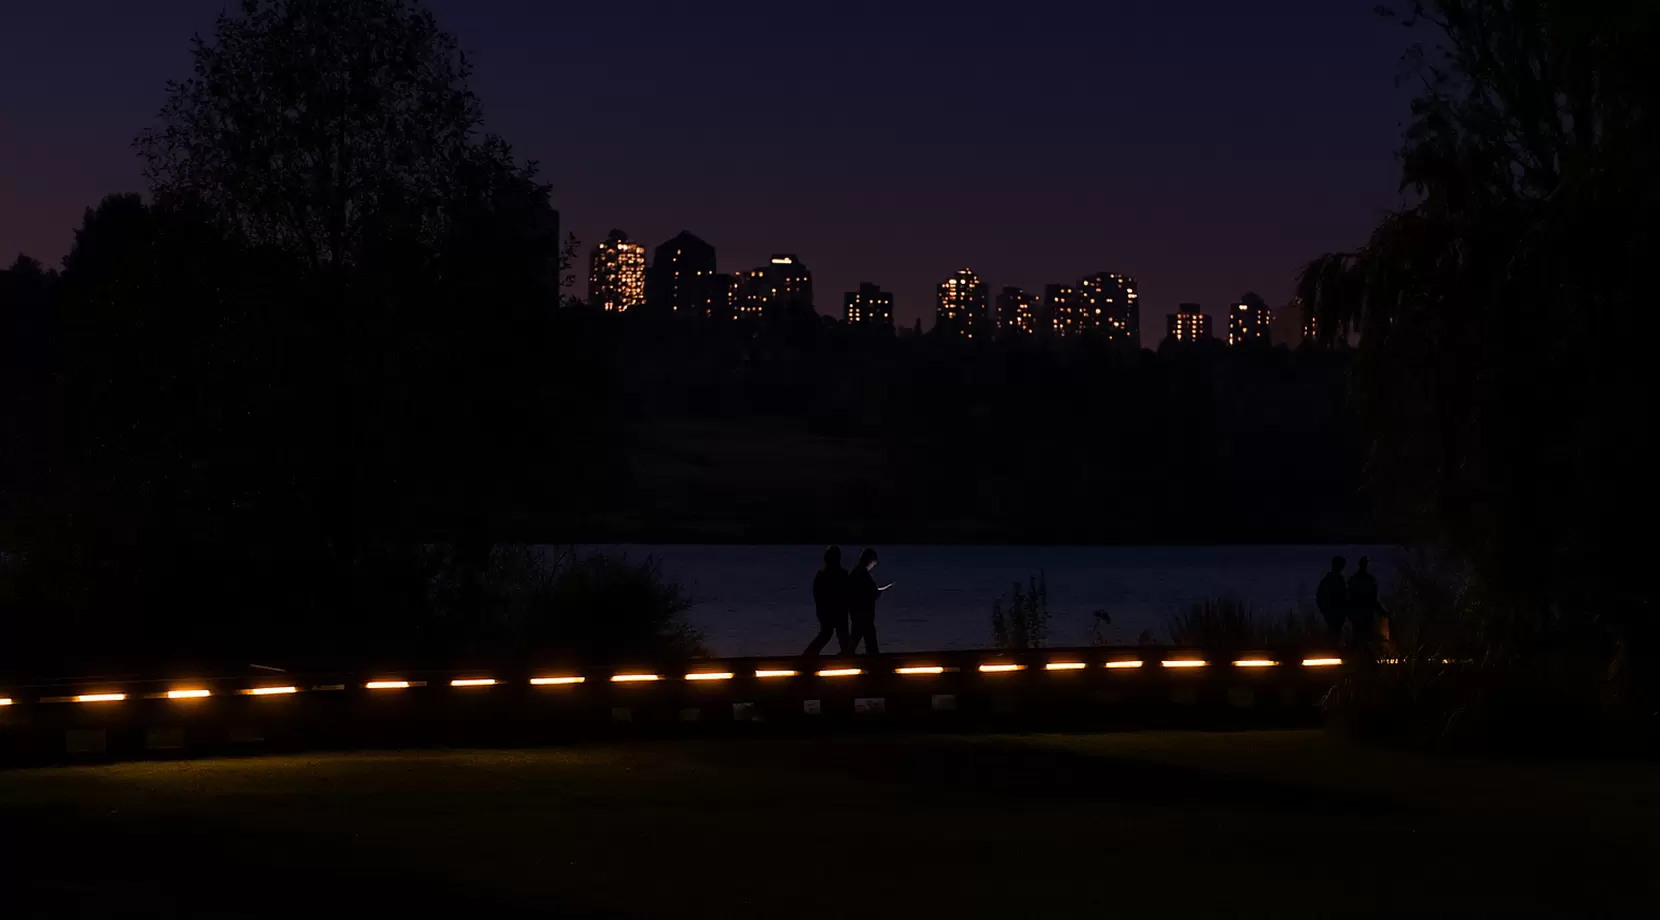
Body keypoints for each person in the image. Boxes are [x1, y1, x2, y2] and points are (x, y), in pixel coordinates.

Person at [802, 546, 850, 657]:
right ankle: (847, 656)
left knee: (828, 633)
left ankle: (808, 655)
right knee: (838, 634)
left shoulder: (821, 575)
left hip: (826, 611)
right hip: (837, 611)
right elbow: (846, 592)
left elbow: (817, 594)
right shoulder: (841, 574)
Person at [846, 547, 890, 656]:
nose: (874, 565)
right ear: (869, 560)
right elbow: (870, 593)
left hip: (857, 612)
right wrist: (878, 592)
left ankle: (847, 656)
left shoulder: (855, 573)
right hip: (864, 613)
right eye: (874, 562)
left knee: (858, 637)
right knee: (868, 640)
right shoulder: (863, 574)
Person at [1347, 556, 1381, 648]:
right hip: (1359, 614)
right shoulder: (1356, 580)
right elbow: (1349, 597)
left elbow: (1373, 598)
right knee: (1359, 638)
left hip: (1365, 614)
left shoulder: (1368, 580)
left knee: (1366, 639)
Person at [1315, 555, 1348, 644]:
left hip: (1337, 614)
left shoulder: (1337, 580)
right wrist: (1325, 610)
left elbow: (1345, 596)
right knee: (1333, 635)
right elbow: (1320, 597)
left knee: (1336, 635)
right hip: (1333, 613)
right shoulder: (1330, 580)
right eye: (1340, 565)